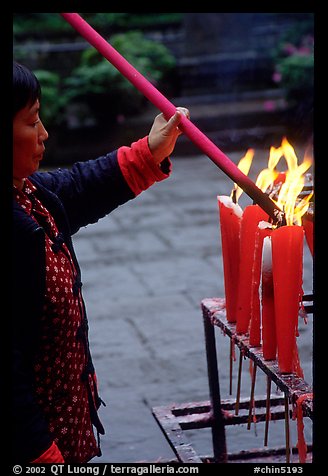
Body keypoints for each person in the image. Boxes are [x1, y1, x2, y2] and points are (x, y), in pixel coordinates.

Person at [12, 61, 189, 464]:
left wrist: (151, 150)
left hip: (59, 424)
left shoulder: (28, 194)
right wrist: (38, 452)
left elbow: (77, 187)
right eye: (31, 121)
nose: (44, 134)